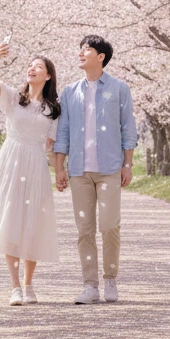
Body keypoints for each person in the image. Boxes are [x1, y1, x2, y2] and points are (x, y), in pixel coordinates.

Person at [0, 41, 60, 306]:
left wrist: (59, 172)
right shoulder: (14, 98)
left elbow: (53, 145)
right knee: (11, 219)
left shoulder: (53, 109)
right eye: (30, 65)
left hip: (35, 161)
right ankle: (14, 286)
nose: (32, 69)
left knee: (31, 221)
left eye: (39, 67)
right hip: (11, 159)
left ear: (48, 75)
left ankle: (29, 283)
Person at [54, 34, 137, 305]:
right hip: (79, 170)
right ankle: (90, 285)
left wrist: (128, 164)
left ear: (101, 57)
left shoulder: (119, 88)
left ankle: (110, 279)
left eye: (86, 50)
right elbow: (63, 132)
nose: (81, 53)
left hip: (110, 168)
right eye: (80, 49)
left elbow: (128, 128)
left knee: (110, 225)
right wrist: (60, 168)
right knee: (84, 229)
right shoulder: (69, 92)